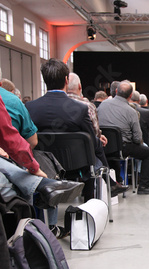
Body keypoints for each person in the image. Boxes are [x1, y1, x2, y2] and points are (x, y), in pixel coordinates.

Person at [0, 10, 83, 209]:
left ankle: (43, 186)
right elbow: (9, 136)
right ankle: (33, 213)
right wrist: (33, 166)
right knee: (17, 190)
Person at [26, 59, 120, 199]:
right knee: (94, 145)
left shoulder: (30, 107)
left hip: (43, 166)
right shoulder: (80, 109)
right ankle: (101, 191)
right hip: (76, 166)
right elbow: (92, 143)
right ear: (66, 80)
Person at [98, 80, 149, 194]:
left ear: (116, 91)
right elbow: (137, 138)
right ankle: (144, 187)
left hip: (103, 147)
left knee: (113, 154)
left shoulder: (102, 105)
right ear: (130, 96)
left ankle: (117, 181)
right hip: (123, 148)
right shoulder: (131, 111)